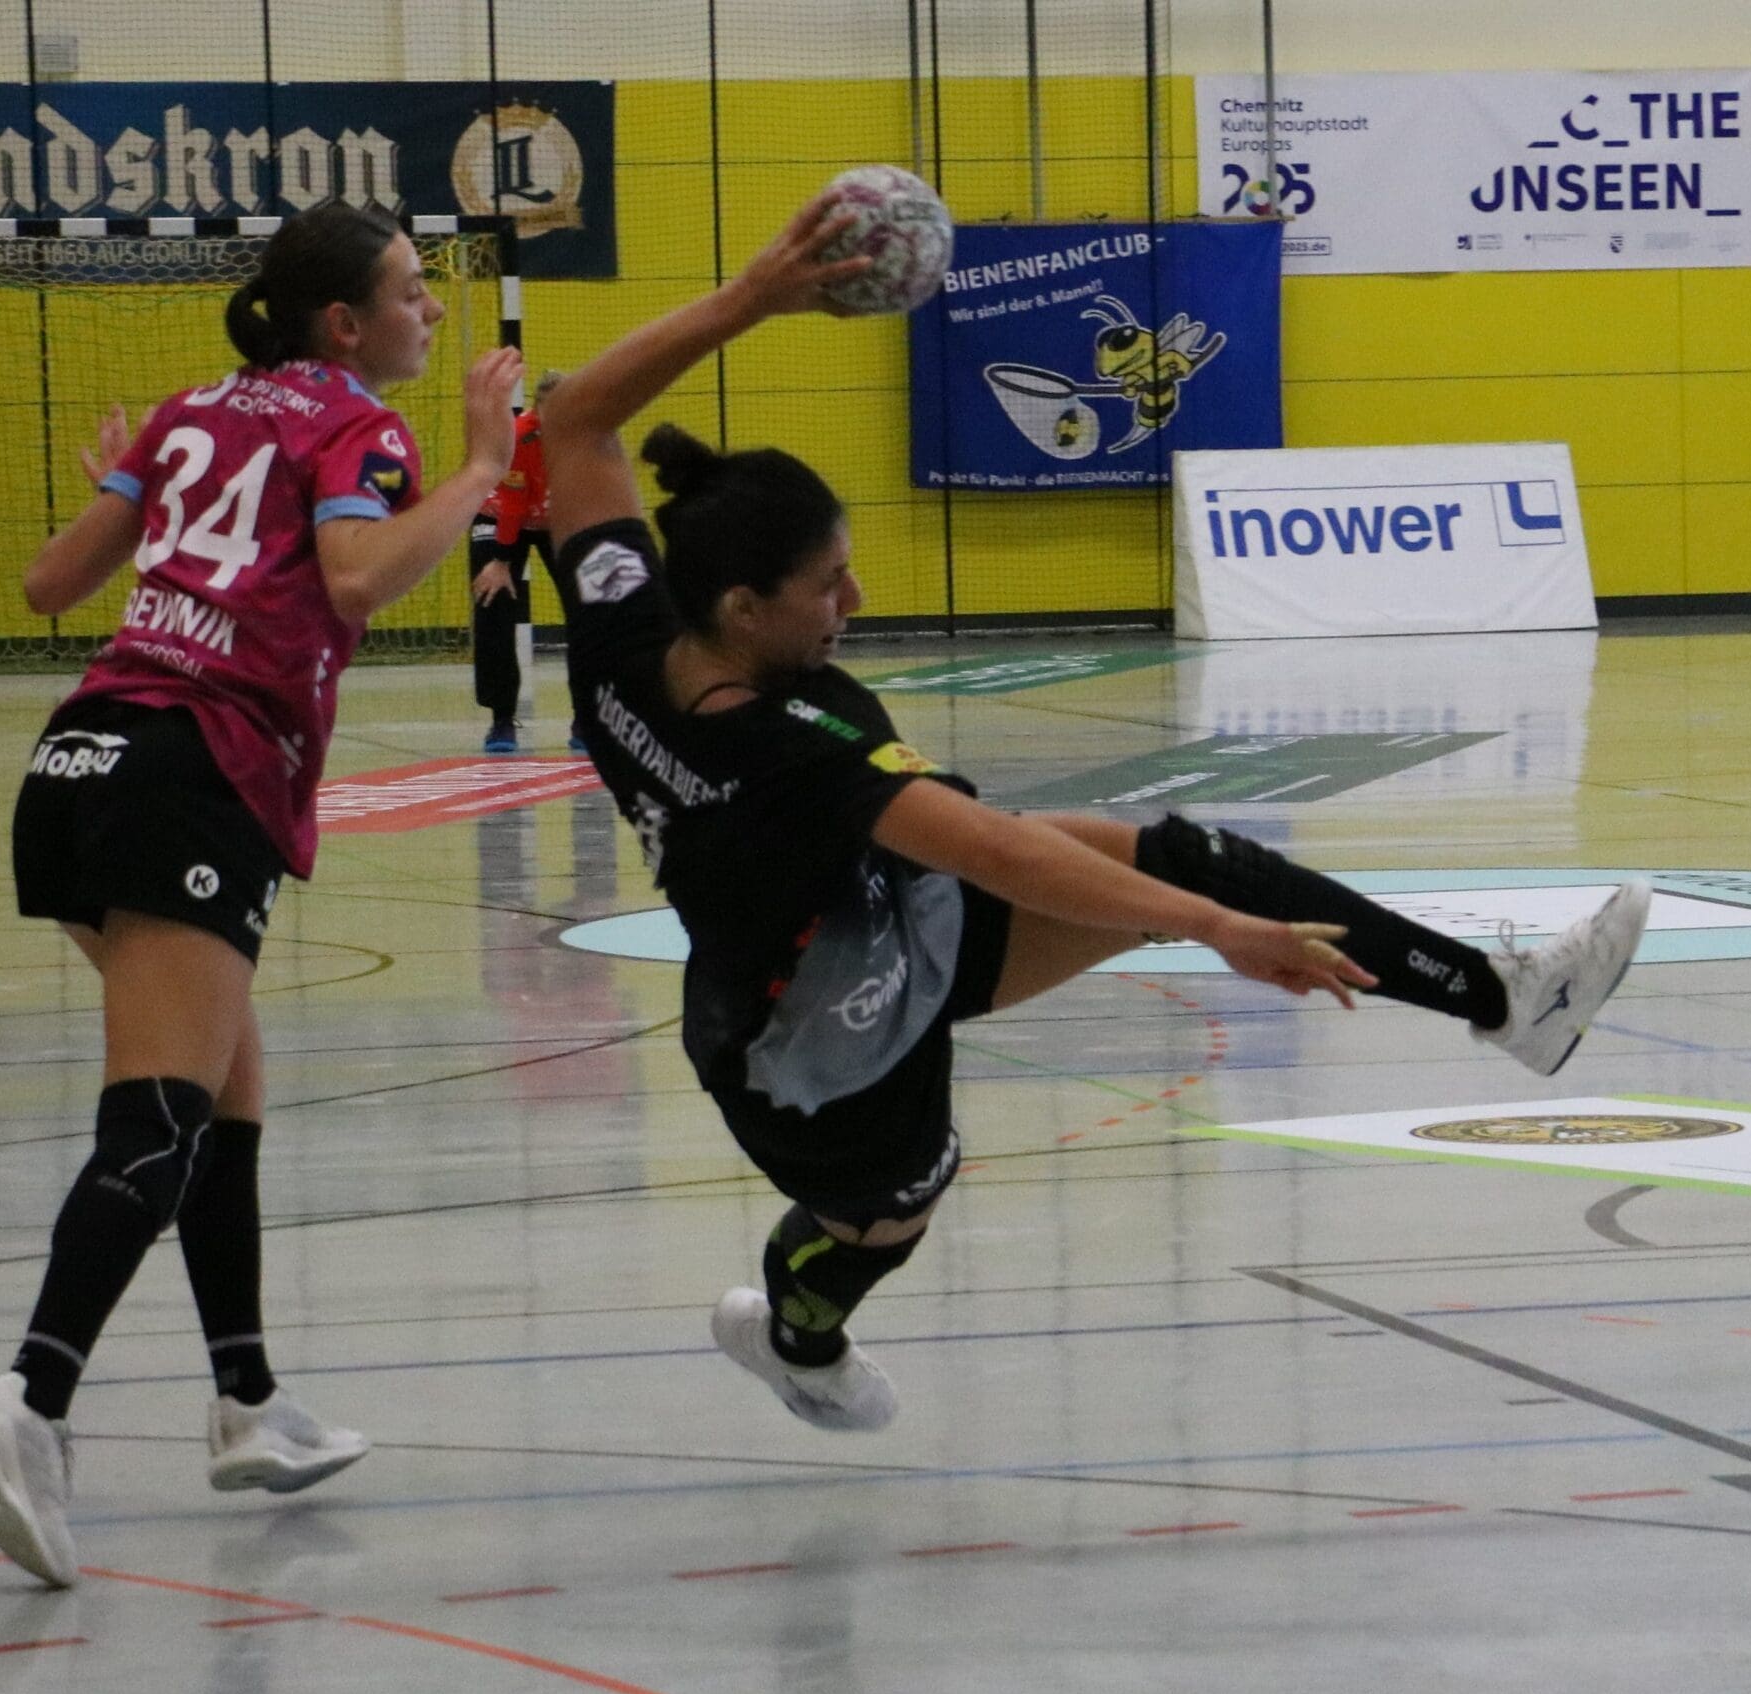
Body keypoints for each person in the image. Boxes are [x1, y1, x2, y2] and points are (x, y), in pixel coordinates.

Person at [534, 190, 1652, 1437]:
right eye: (828, 583)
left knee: (1193, 856)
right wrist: (1216, 931)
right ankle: (796, 1338)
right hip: (814, 1034)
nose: (856, 596)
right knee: (884, 1215)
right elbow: (999, 850)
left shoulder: (629, 631)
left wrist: (756, 295)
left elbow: (574, 419)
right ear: (744, 607)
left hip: (877, 907)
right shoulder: (781, 749)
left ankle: (1507, 1001)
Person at [0, 203, 524, 1590]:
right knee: (159, 1116)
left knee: (230, 1091)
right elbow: (355, 579)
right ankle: (30, 1397)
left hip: (80, 759)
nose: (432, 310)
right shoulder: (358, 425)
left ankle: (245, 1397)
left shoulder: (190, 411)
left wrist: (151, 504)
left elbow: (48, 585)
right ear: (344, 324)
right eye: (410, 290)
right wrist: (477, 471)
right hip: (194, 770)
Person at [470, 372, 564, 752]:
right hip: (501, 514)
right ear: (539, 410)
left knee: (590, 608)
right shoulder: (521, 435)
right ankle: (501, 719)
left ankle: (590, 718)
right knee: (492, 601)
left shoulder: (587, 431)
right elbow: (513, 504)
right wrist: (501, 560)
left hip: (554, 518)